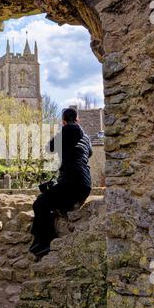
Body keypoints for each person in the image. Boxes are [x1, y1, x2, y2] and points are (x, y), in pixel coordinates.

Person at [29, 107, 93, 260]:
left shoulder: (66, 131)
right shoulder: (87, 138)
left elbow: (49, 148)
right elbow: (89, 153)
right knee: (55, 203)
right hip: (85, 185)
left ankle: (44, 243)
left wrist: (61, 133)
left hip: (71, 184)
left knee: (39, 204)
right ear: (78, 119)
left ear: (63, 121)